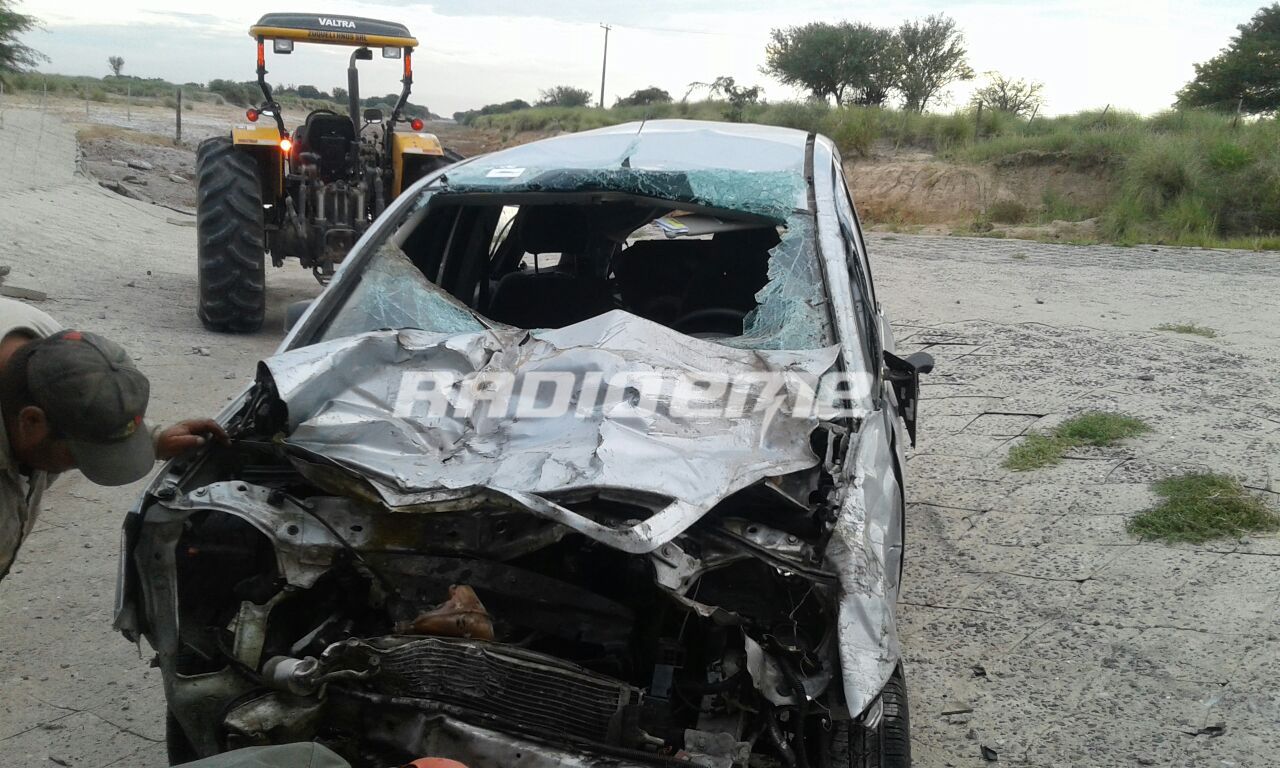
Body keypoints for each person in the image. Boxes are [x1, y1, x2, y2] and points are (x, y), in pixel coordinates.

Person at [0, 297, 228, 581]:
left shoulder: (52, 346)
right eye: (83, 455)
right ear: (31, 422)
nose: (86, 463)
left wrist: (151, 438)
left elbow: (80, 401)